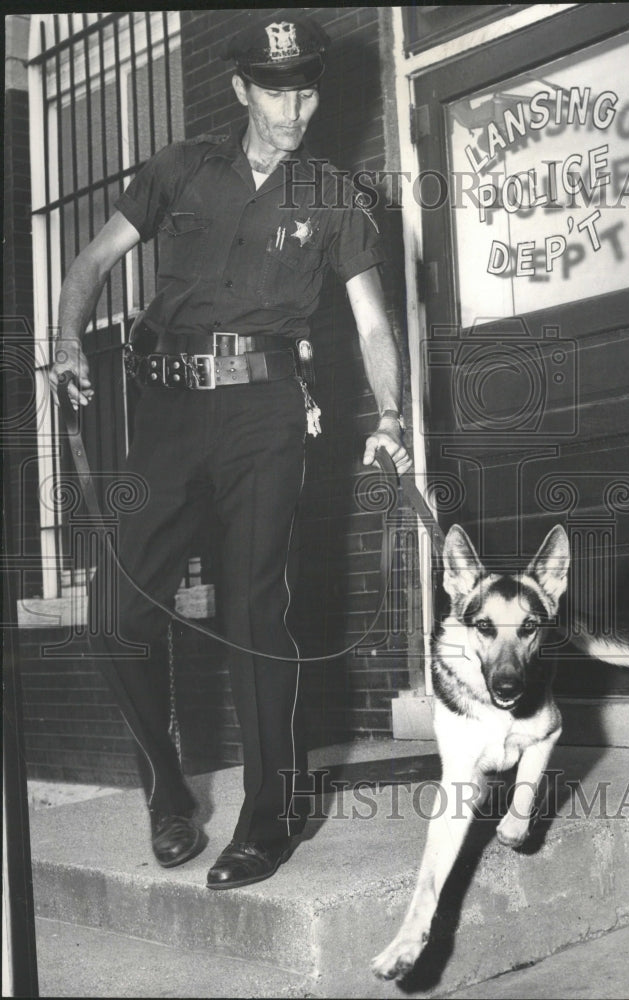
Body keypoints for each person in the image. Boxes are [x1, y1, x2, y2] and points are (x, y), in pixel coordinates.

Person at [51, 14, 411, 890]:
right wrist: (65, 342)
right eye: (279, 89)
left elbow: (371, 322)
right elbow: (93, 260)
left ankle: (267, 817)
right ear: (242, 88)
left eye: (309, 88)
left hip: (267, 412)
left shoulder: (332, 196)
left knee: (256, 616)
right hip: (168, 413)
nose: (297, 108)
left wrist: (391, 416)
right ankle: (168, 792)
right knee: (115, 620)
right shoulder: (179, 169)